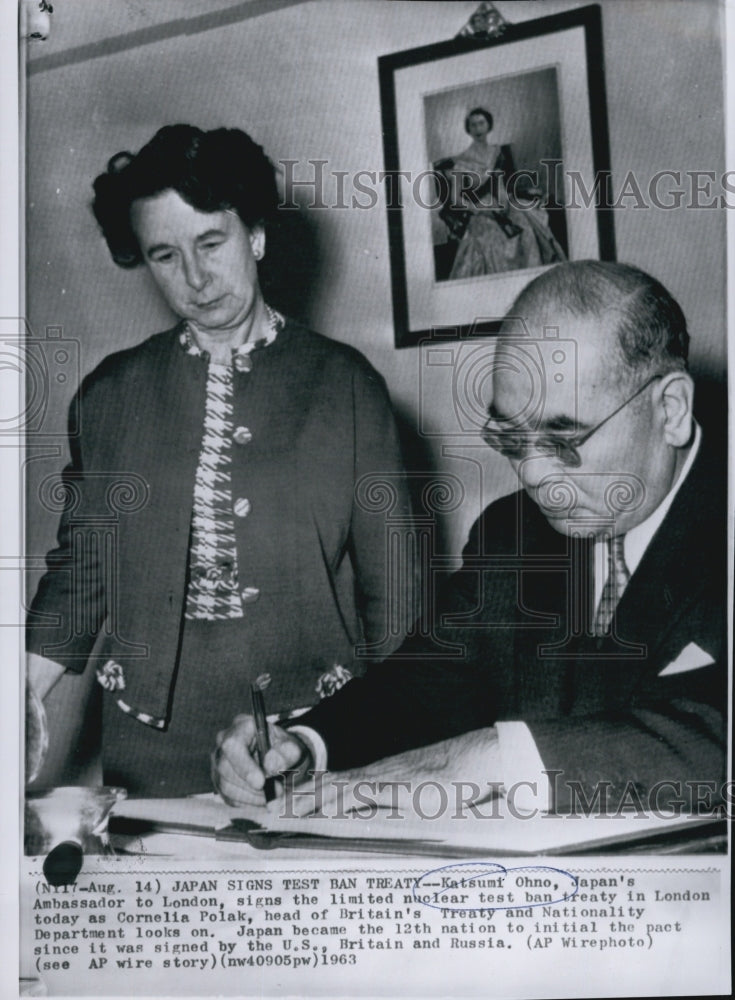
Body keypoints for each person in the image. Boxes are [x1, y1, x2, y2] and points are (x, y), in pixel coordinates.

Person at [214, 261, 726, 817]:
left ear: (670, 409)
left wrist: (494, 759)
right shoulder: (515, 533)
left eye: (563, 437)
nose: (530, 475)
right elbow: (430, 681)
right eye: (510, 438)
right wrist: (306, 745)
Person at [26, 124, 414, 796]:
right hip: (151, 748)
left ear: (255, 235)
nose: (196, 279)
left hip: (304, 740)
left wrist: (387, 746)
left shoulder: (346, 386)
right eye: (164, 256)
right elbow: (85, 563)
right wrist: (23, 688)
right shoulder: (111, 395)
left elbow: (397, 599)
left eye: (211, 243)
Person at [435, 107, 566, 281]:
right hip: (480, 209)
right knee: (490, 242)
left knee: (526, 229)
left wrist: (508, 202)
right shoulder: (461, 161)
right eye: (473, 125)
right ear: (468, 130)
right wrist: (482, 211)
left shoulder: (497, 153)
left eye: (481, 123)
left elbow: (503, 184)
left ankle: (531, 280)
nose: (478, 129)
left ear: (489, 126)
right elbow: (456, 199)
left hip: (504, 201)